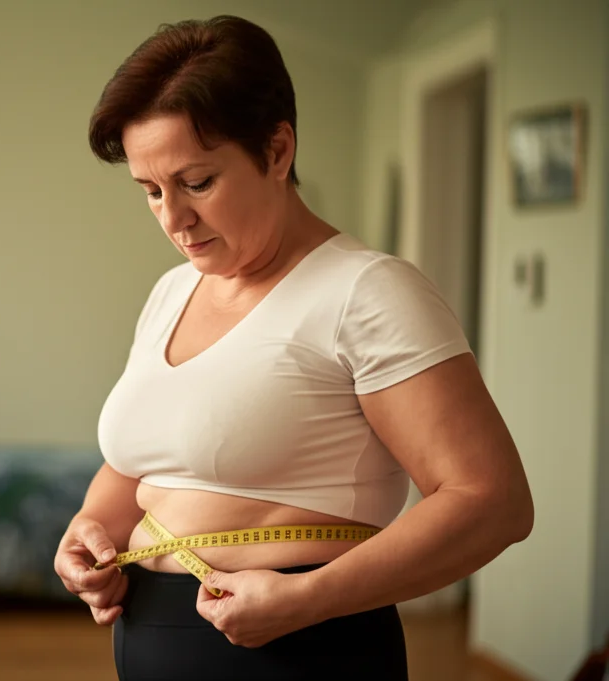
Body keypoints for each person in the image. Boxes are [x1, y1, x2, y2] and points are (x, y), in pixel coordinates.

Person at [52, 14, 534, 681]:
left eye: (197, 182)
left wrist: (307, 599)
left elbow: (493, 501)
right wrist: (88, 529)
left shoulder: (367, 293)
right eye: (152, 191)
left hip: (303, 649)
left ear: (278, 151)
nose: (173, 219)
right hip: (148, 636)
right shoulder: (171, 292)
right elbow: (145, 461)